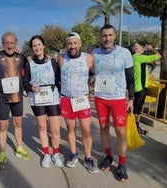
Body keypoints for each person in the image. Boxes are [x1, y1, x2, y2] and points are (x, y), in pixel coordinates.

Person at [92, 24, 135, 182]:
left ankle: (122, 164)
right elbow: (89, 72)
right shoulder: (94, 53)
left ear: (115, 36)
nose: (107, 38)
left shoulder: (124, 53)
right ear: (100, 37)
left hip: (117, 99)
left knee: (120, 132)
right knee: (104, 128)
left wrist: (131, 99)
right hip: (100, 98)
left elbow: (130, 78)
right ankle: (109, 157)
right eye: (104, 35)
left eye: (110, 35)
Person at [0, 32, 30, 170]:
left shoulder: (21, 57)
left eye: (12, 42)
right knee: (3, 127)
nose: (9, 45)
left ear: (16, 42)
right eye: (6, 42)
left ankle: (19, 148)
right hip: (3, 99)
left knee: (18, 124)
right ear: (2, 43)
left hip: (17, 97)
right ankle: (2, 154)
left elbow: (28, 73)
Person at [58, 32, 99, 174]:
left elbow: (97, 73)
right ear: (66, 45)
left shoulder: (88, 58)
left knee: (86, 130)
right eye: (69, 43)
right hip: (67, 99)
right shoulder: (61, 58)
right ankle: (73, 155)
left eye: (75, 43)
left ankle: (88, 158)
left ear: (80, 44)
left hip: (82, 99)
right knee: (70, 129)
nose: (72, 46)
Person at [23, 35, 62, 168]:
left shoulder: (52, 63)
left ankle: (55, 154)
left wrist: (60, 93)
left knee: (55, 130)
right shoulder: (29, 64)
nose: (37, 47)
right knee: (42, 127)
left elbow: (58, 79)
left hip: (52, 98)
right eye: (34, 46)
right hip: (37, 99)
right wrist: (30, 88)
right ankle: (46, 154)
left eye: (39, 44)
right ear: (32, 49)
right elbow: (25, 82)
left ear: (43, 46)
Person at [129, 42, 161, 135]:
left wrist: (148, 74)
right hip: (140, 87)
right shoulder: (138, 57)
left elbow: (141, 70)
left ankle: (136, 126)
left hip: (137, 86)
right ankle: (134, 127)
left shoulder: (135, 58)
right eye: (139, 46)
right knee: (137, 109)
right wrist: (151, 49)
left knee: (137, 108)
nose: (142, 47)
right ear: (135, 50)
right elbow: (158, 56)